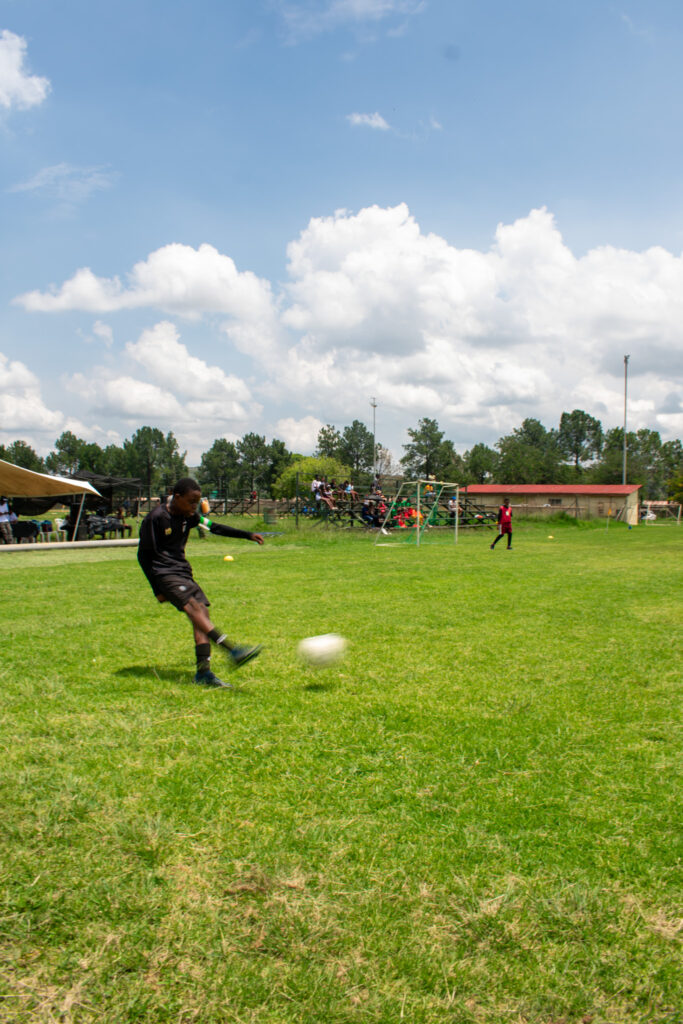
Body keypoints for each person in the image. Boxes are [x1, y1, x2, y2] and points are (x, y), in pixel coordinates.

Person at [138, 477, 264, 689]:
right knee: (193, 608)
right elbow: (143, 555)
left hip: (183, 571)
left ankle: (204, 673)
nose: (194, 506)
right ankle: (231, 649)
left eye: (196, 502)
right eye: (191, 501)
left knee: (202, 613)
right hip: (164, 573)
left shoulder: (190, 517)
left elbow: (215, 528)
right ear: (177, 497)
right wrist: (156, 588)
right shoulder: (156, 518)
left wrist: (247, 535)